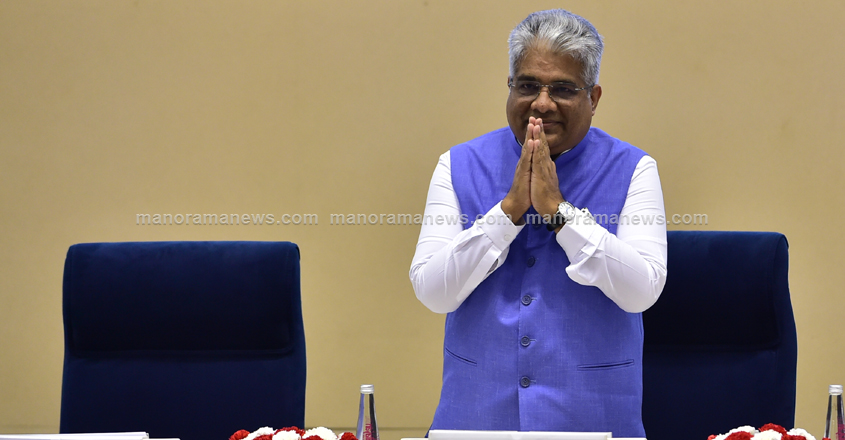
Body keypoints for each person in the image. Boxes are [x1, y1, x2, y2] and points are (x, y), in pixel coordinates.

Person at [408, 9, 668, 438]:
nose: (542, 103)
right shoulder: (456, 164)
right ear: (509, 88)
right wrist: (508, 211)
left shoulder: (635, 168)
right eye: (528, 85)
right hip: (476, 420)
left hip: (593, 419)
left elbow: (642, 290)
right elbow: (433, 292)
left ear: (594, 98)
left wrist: (559, 214)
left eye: (563, 89)